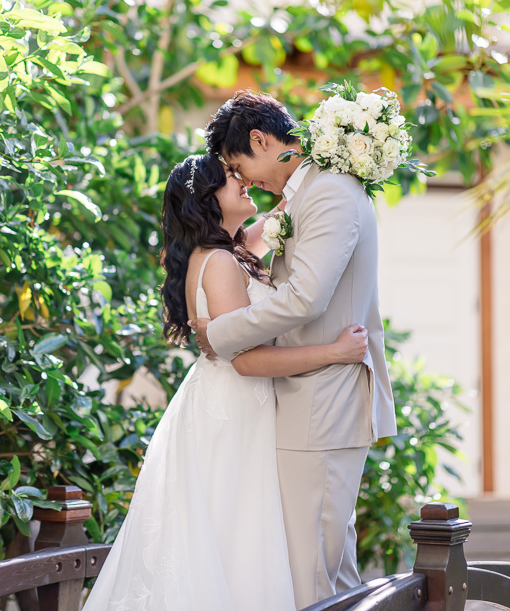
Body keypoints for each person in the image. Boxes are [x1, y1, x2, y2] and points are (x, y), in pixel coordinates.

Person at [83, 152, 369, 611]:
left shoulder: (227, 251)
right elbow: (247, 361)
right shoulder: (217, 261)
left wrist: (328, 157)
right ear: (206, 200)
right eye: (230, 177)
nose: (243, 181)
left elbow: (280, 213)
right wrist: (334, 353)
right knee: (234, 534)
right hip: (234, 408)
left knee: (229, 534)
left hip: (227, 406)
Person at [190, 90, 397, 610]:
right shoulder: (303, 197)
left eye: (241, 166)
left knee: (313, 576)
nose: (245, 181)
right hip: (309, 402)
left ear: (261, 140)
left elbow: (306, 297)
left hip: (322, 405)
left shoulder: (328, 191)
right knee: (328, 568)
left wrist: (221, 333)